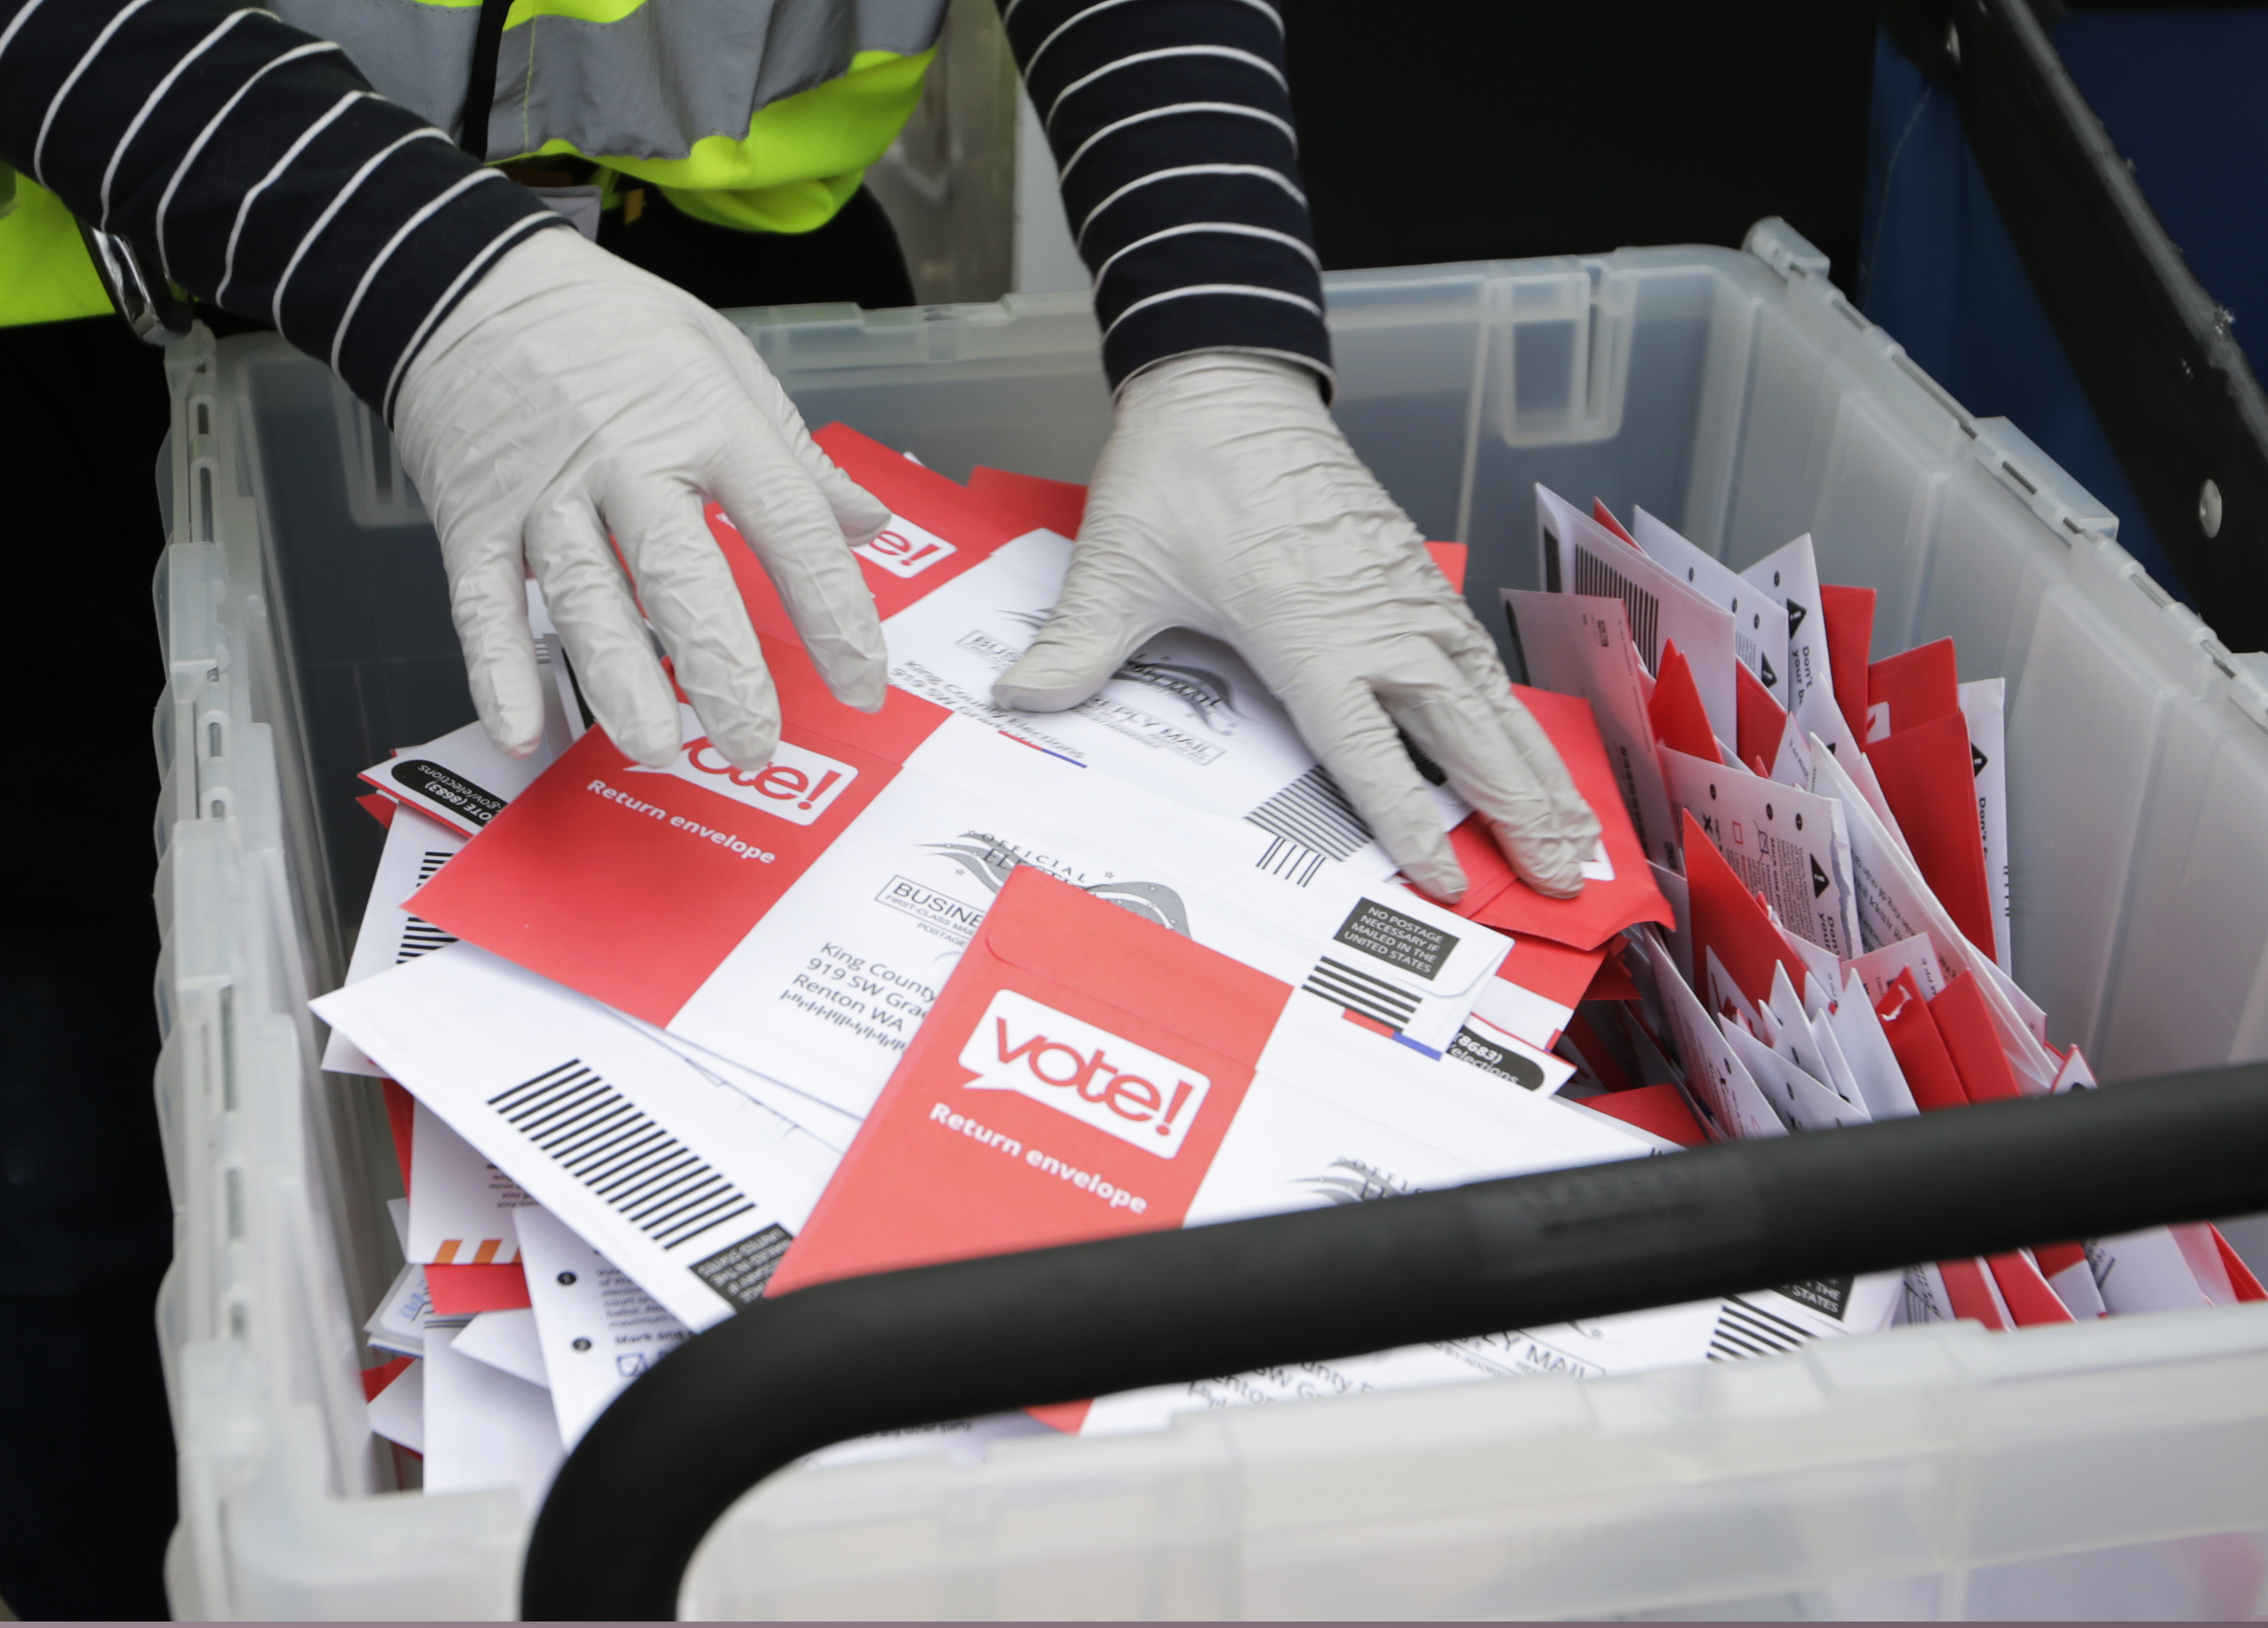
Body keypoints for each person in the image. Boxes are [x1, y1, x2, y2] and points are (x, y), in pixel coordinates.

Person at [0, 0, 1596, 1613]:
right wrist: (402, 252)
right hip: (97, 358)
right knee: (89, 1206)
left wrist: (1218, 323)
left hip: (724, 345)